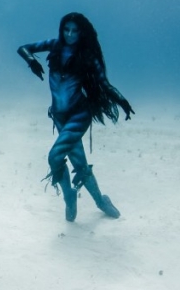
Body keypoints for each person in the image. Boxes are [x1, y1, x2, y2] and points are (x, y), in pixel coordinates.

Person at [17, 12, 135, 222]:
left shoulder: (87, 56)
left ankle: (69, 195)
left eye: (74, 31)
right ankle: (101, 201)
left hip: (79, 114)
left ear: (82, 33)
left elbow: (104, 84)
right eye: (66, 29)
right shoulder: (53, 45)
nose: (70, 34)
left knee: (54, 157)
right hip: (58, 116)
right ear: (61, 30)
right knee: (79, 164)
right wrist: (31, 61)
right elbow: (23, 48)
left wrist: (122, 101)